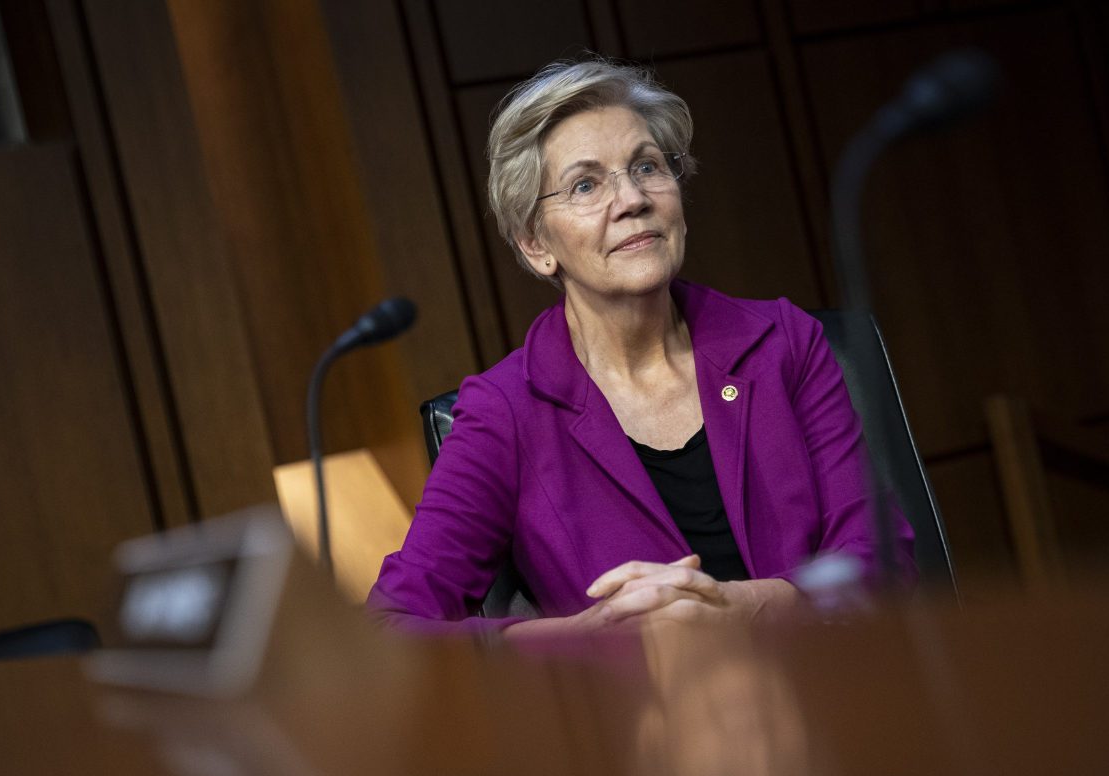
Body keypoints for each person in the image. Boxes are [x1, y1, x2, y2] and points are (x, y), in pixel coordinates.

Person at [368, 57, 914, 638]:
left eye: (647, 166)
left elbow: (883, 560)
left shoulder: (783, 343)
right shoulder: (506, 412)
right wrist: (585, 635)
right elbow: (392, 631)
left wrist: (747, 606)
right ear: (535, 244)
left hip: (835, 681)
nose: (632, 198)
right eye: (585, 184)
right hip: (642, 699)